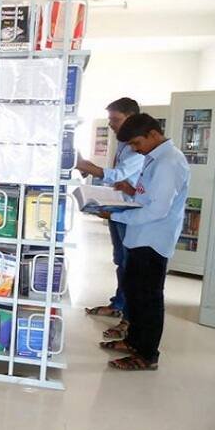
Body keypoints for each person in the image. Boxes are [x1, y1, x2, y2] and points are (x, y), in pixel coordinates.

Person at [99, 113, 189, 371]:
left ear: (153, 134)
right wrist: (130, 191)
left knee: (148, 298)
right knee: (135, 292)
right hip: (140, 236)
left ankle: (147, 354)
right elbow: (149, 196)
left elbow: (157, 210)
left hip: (153, 240)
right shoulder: (155, 158)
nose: (136, 149)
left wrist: (116, 215)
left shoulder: (169, 162)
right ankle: (134, 341)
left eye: (137, 143)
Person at [78, 97, 143, 341]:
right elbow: (118, 179)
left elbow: (118, 175)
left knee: (129, 263)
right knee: (120, 260)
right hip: (119, 208)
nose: (111, 125)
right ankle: (119, 304)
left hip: (131, 211)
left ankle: (128, 315)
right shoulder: (124, 145)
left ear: (131, 118)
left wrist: (87, 166)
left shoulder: (138, 148)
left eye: (115, 119)